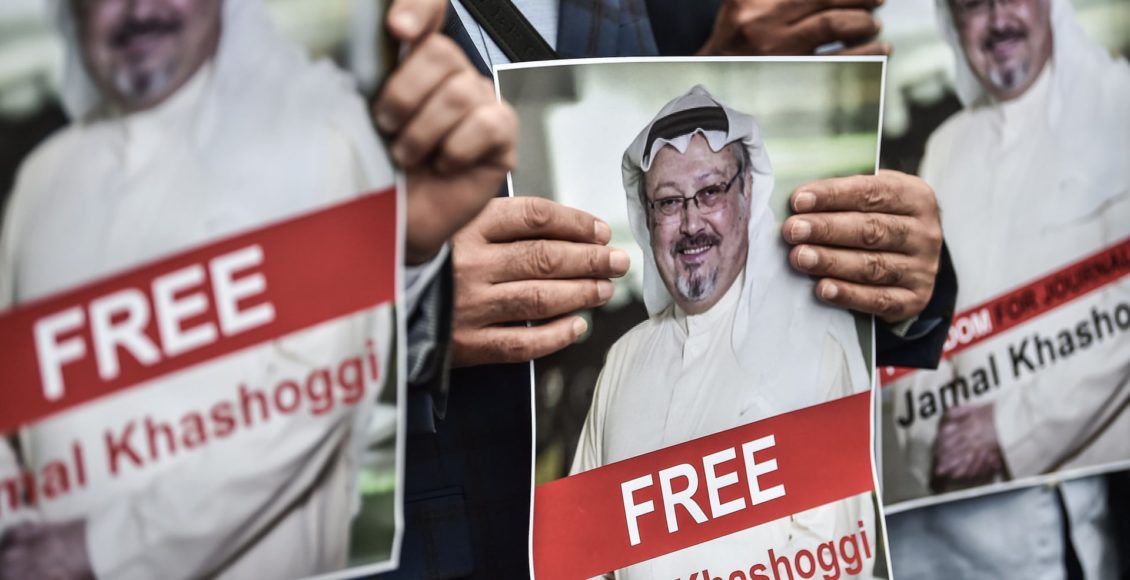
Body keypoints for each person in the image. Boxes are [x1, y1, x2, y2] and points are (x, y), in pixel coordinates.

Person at [0, 0, 512, 577]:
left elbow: (301, 411)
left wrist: (97, 547)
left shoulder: (313, 139)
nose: (140, 11)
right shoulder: (41, 184)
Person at [569, 85, 874, 579]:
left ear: (747, 192)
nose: (691, 224)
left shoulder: (812, 343)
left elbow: (836, 559)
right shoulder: (624, 361)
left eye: (710, 192)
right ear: (648, 218)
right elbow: (581, 554)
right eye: (669, 202)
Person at [884, 0, 1130, 577]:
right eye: (974, 5)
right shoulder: (945, 148)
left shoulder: (1117, 106)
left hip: (1066, 507)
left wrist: (1008, 430)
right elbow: (927, 313)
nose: (997, 20)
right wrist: (929, 441)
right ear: (952, 23)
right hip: (947, 519)